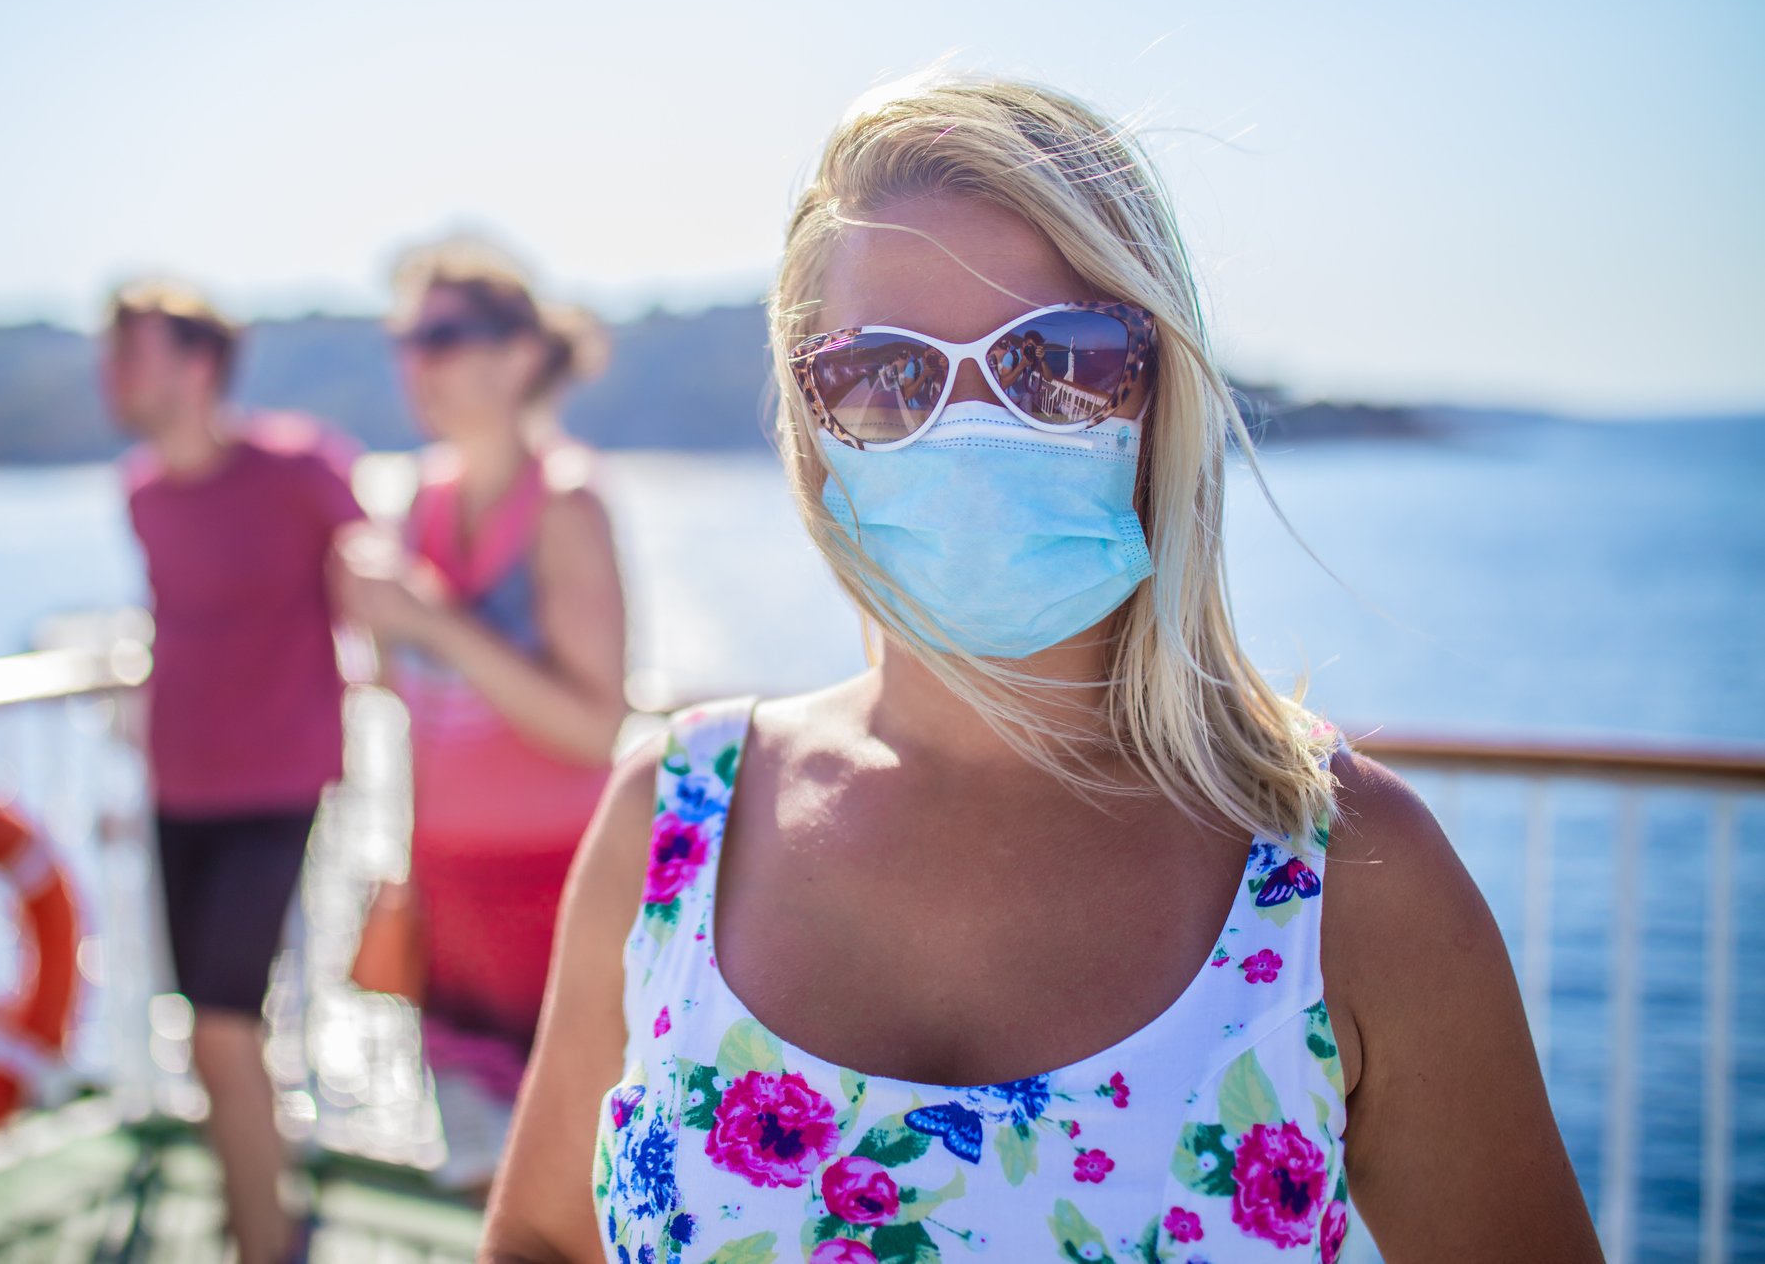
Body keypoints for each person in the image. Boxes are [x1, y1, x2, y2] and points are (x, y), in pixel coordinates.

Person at [481, 76, 1601, 1262]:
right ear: (812, 421)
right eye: (884, 372)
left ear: (1159, 389)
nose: (973, 428)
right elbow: (542, 1239)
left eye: (1061, 358)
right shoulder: (674, 818)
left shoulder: (1348, 875)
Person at [337, 239, 627, 1187]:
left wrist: (431, 621)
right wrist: (375, 619)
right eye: (404, 339)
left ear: (518, 356)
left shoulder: (565, 504)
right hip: (447, 892)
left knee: (575, 1193)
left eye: (441, 336)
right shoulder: (415, 500)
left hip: (557, 898)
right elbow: (409, 696)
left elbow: (594, 728)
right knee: (478, 1184)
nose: (414, 361)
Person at [100, 281, 365, 1264]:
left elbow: (381, 591)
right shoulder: (140, 492)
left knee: (218, 1025)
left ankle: (266, 1240)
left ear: (200, 363)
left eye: (133, 353)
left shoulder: (301, 467)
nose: (113, 375)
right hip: (176, 788)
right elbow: (169, 621)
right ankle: (263, 1204)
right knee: (211, 1027)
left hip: (279, 783)